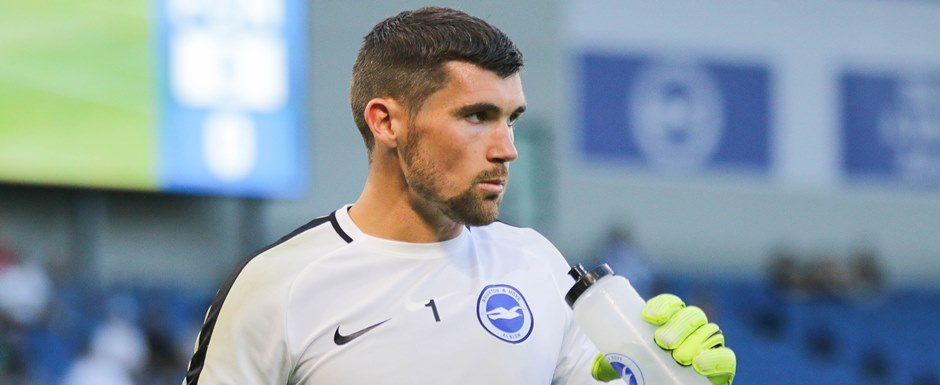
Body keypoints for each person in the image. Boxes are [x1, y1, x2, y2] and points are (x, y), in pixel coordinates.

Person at [183, 6, 735, 385]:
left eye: (511, 119)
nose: (507, 149)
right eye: (477, 116)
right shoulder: (278, 286)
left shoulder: (538, 265)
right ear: (387, 122)